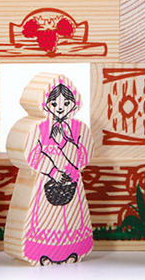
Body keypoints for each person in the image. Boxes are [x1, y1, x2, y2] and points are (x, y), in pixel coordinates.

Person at [22, 79, 93, 264]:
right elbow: (34, 155)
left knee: (70, 219)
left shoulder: (80, 129)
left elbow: (83, 158)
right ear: (46, 105)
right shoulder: (39, 129)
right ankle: (43, 251)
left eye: (66, 103)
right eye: (54, 103)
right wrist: (53, 172)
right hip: (46, 183)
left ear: (74, 104)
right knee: (46, 219)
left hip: (72, 183)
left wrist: (67, 141)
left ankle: (72, 249)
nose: (60, 108)